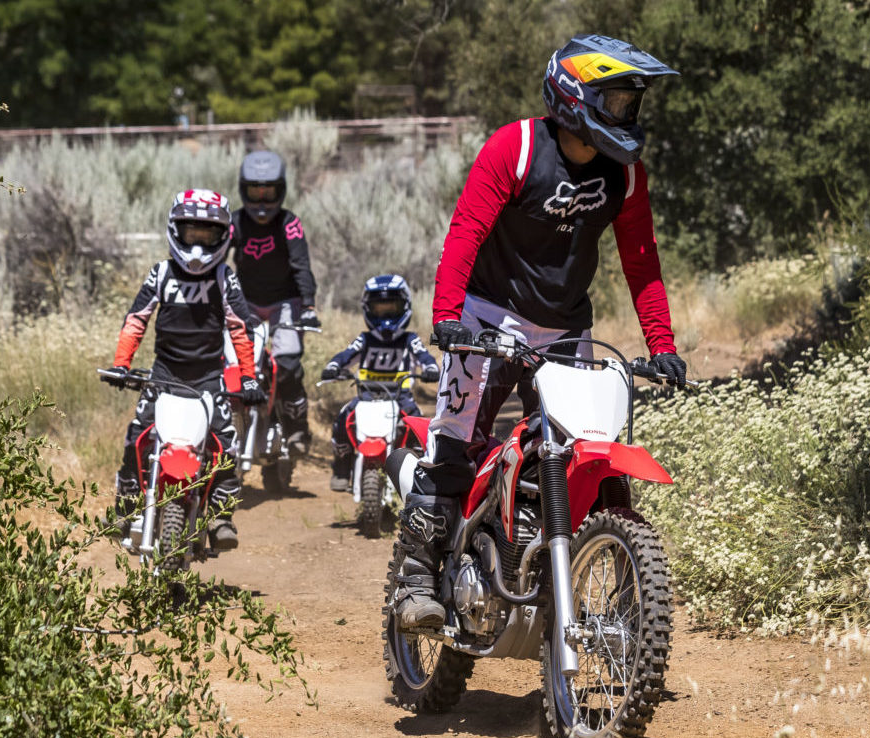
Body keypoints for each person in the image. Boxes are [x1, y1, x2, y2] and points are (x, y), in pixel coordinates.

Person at [392, 34, 689, 628]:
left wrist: (662, 345)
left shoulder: (625, 175)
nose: (628, 115)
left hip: (565, 328)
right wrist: (448, 316)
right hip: (485, 314)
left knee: (585, 454)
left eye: (632, 105)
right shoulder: (517, 147)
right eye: (618, 102)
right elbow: (466, 230)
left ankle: (602, 595)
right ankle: (417, 580)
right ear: (576, 97)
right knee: (454, 440)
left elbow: (642, 260)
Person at [107, 189, 267, 552]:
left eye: (206, 236)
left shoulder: (225, 278)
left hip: (209, 378)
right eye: (191, 234)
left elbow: (241, 328)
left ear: (223, 238)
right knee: (137, 438)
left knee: (227, 445)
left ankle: (221, 515)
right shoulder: (161, 273)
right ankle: (128, 504)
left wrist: (249, 376)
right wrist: (121, 365)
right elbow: (136, 320)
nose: (197, 245)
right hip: (163, 375)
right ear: (175, 231)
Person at [231, 150, 322, 454]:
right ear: (244, 189)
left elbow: (301, 266)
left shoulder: (289, 223)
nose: (261, 201)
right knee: (231, 363)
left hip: (286, 301)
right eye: (255, 191)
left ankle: (298, 430)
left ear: (280, 190)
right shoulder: (234, 222)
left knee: (288, 364)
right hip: (245, 301)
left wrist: (308, 306)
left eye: (268, 192)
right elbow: (215, 255)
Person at [323, 274, 439, 492]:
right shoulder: (364, 339)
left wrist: (431, 369)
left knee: (421, 432)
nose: (385, 314)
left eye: (391, 307)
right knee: (341, 421)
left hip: (401, 398)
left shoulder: (410, 340)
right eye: (379, 308)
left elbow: (425, 357)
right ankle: (341, 467)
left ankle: (422, 477)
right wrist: (332, 367)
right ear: (368, 309)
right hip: (366, 396)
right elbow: (346, 355)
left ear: (404, 306)